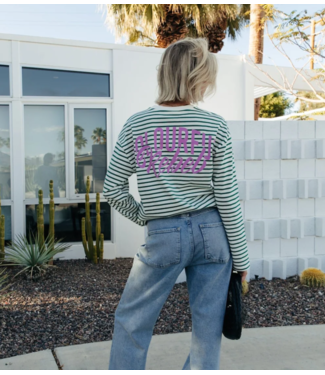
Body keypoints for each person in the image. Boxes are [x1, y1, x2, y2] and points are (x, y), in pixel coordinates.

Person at [103, 38, 250, 371]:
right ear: (198, 77)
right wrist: (241, 258)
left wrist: (145, 215)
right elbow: (227, 195)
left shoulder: (137, 124)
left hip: (163, 234)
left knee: (132, 321)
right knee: (207, 330)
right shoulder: (215, 126)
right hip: (213, 233)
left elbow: (113, 187)